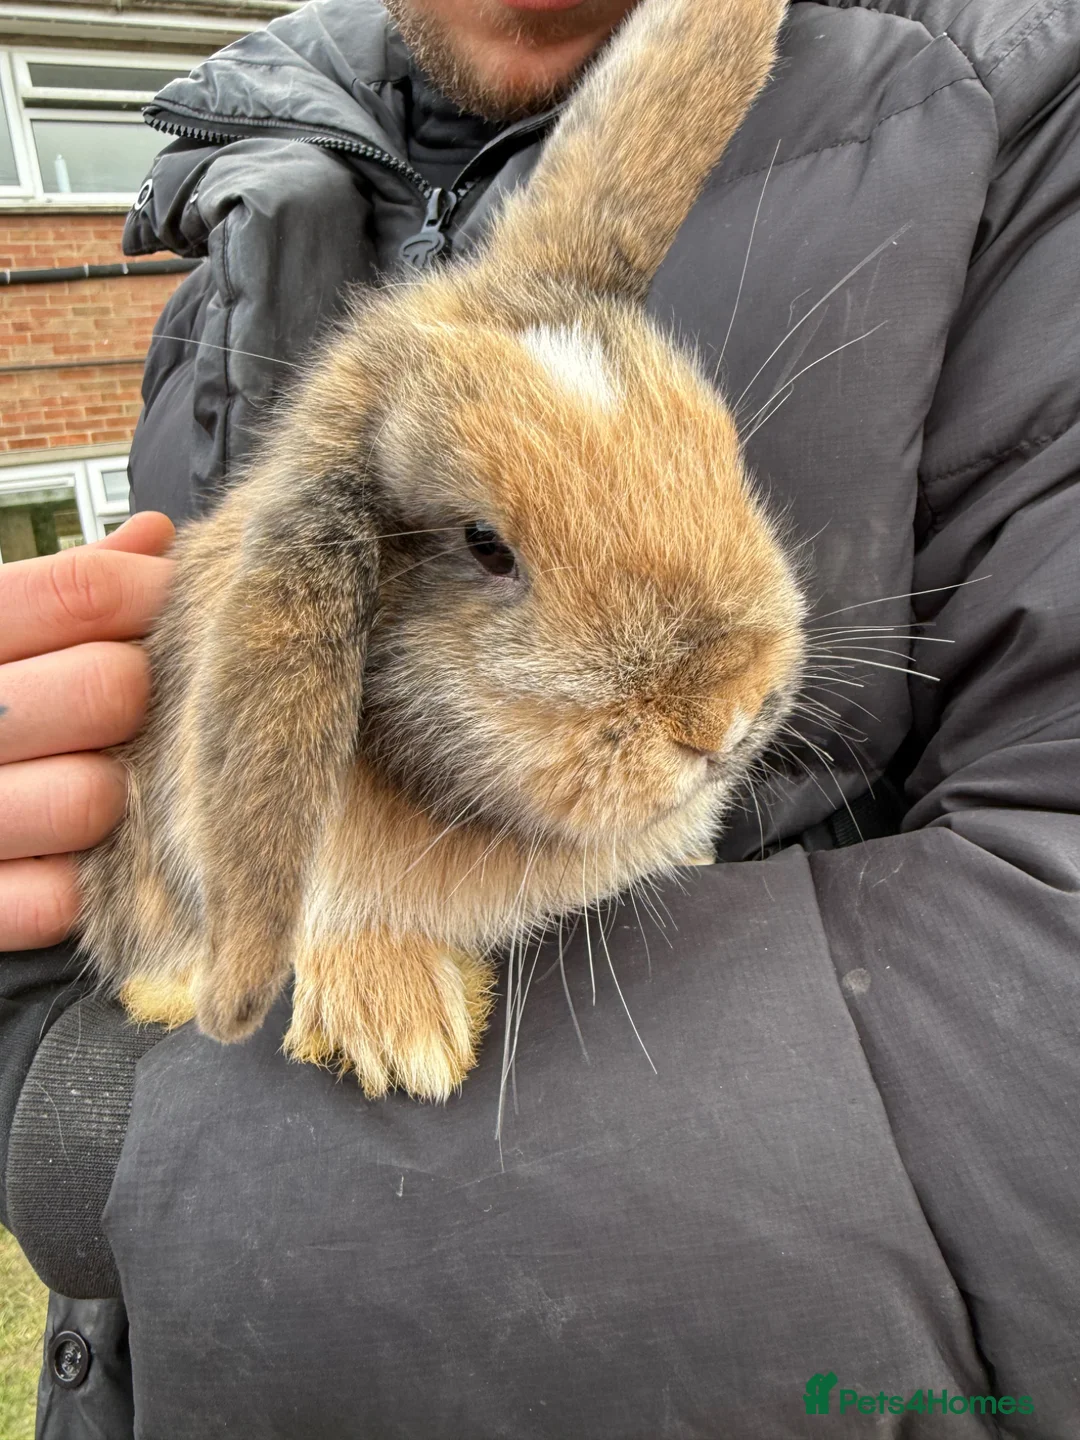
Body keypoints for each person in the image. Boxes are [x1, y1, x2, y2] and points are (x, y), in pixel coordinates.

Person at [2, 0, 1078, 1434]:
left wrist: (100, 1128)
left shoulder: (1009, 101)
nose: (730, 709)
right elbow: (177, 792)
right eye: (499, 552)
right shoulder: (220, 267)